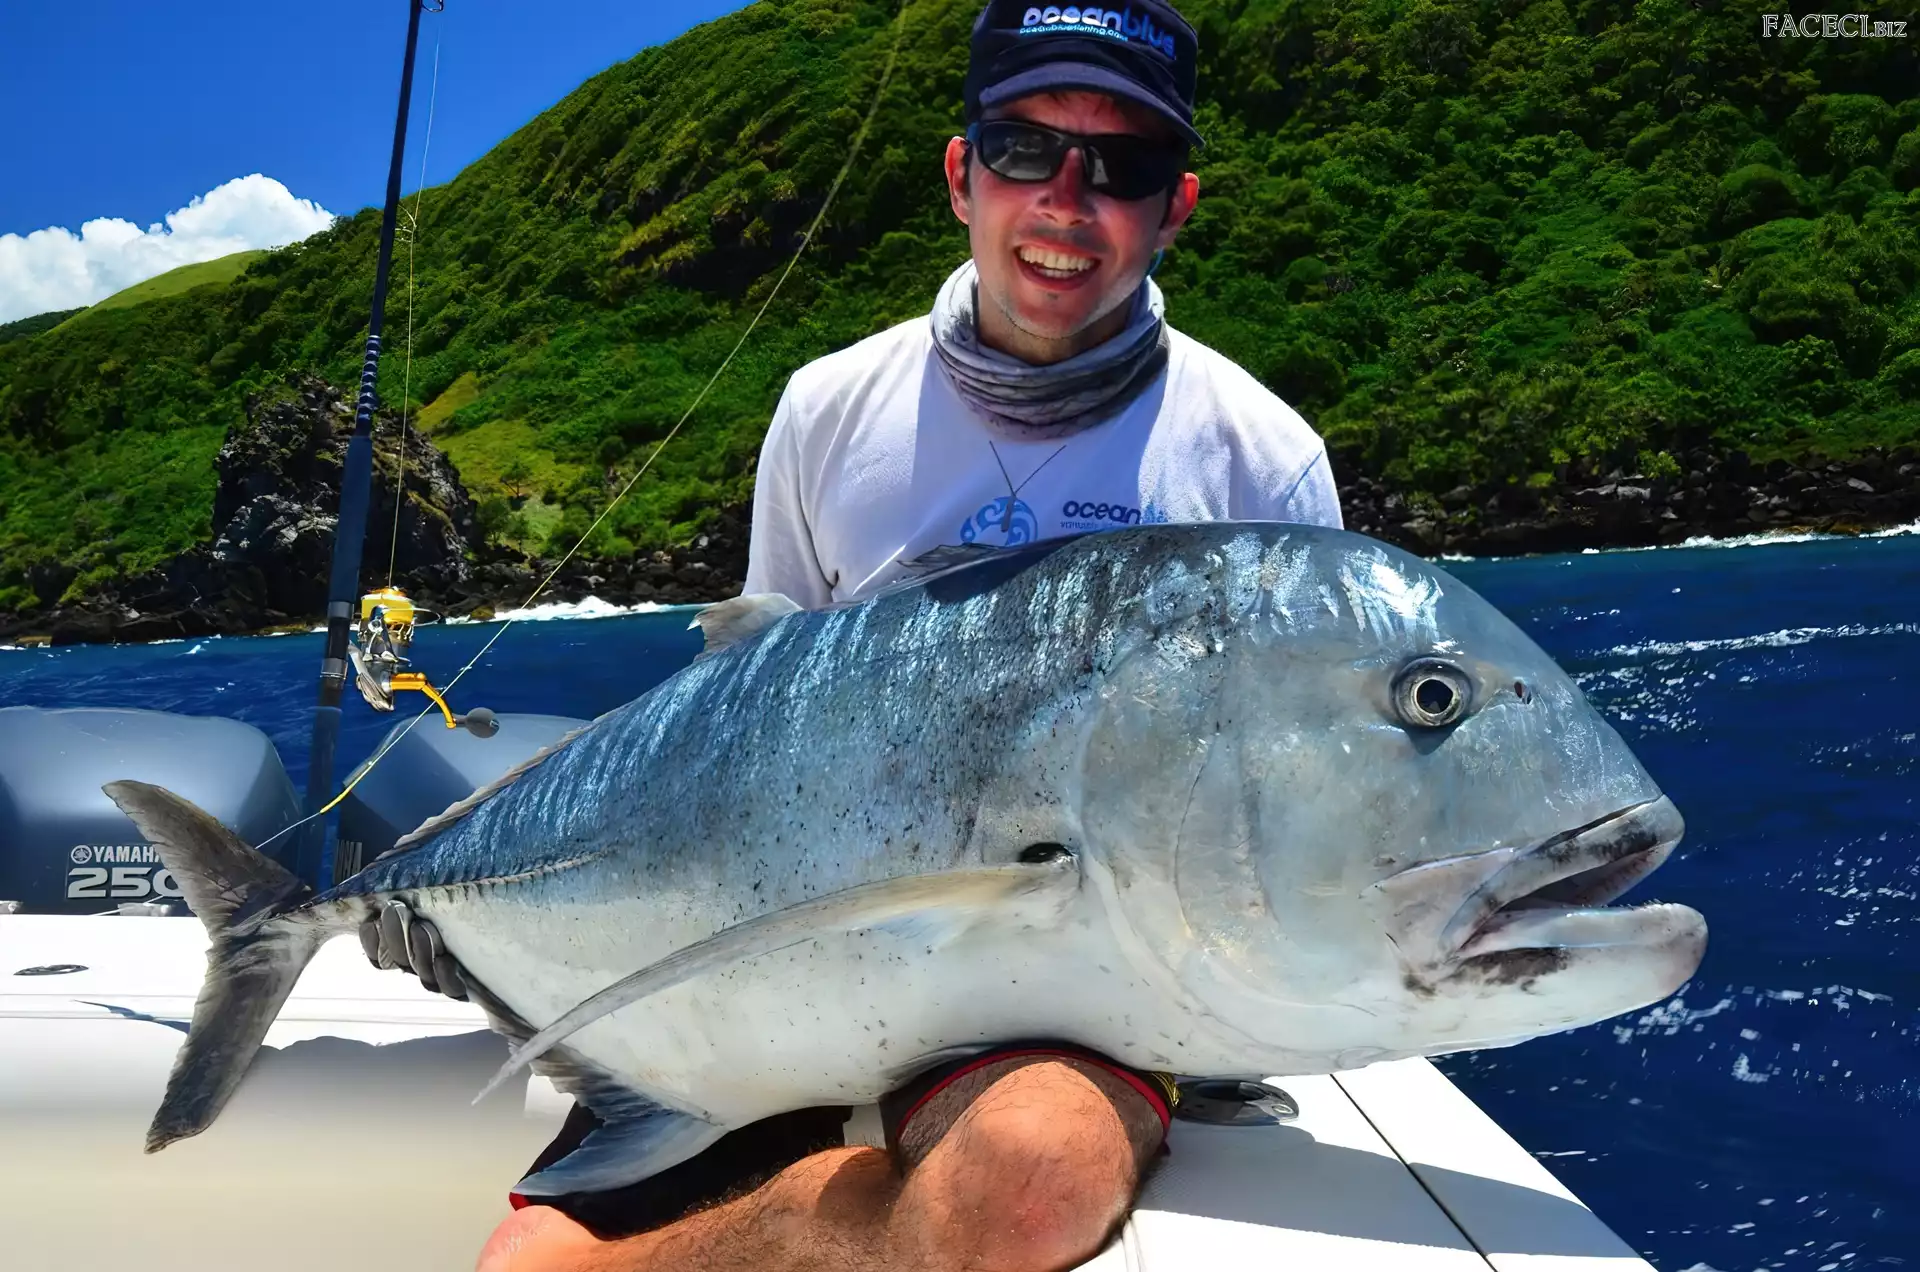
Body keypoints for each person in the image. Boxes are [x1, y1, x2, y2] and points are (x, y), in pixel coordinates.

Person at [364, 3, 1346, 1269]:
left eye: (1124, 166)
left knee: (1029, 1172)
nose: (1066, 199)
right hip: (787, 956)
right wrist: (466, 914)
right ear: (962, 174)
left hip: (1078, 1005)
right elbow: (738, 722)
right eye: (1025, 149)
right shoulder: (830, 409)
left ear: (1176, 208)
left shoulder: (1260, 461)